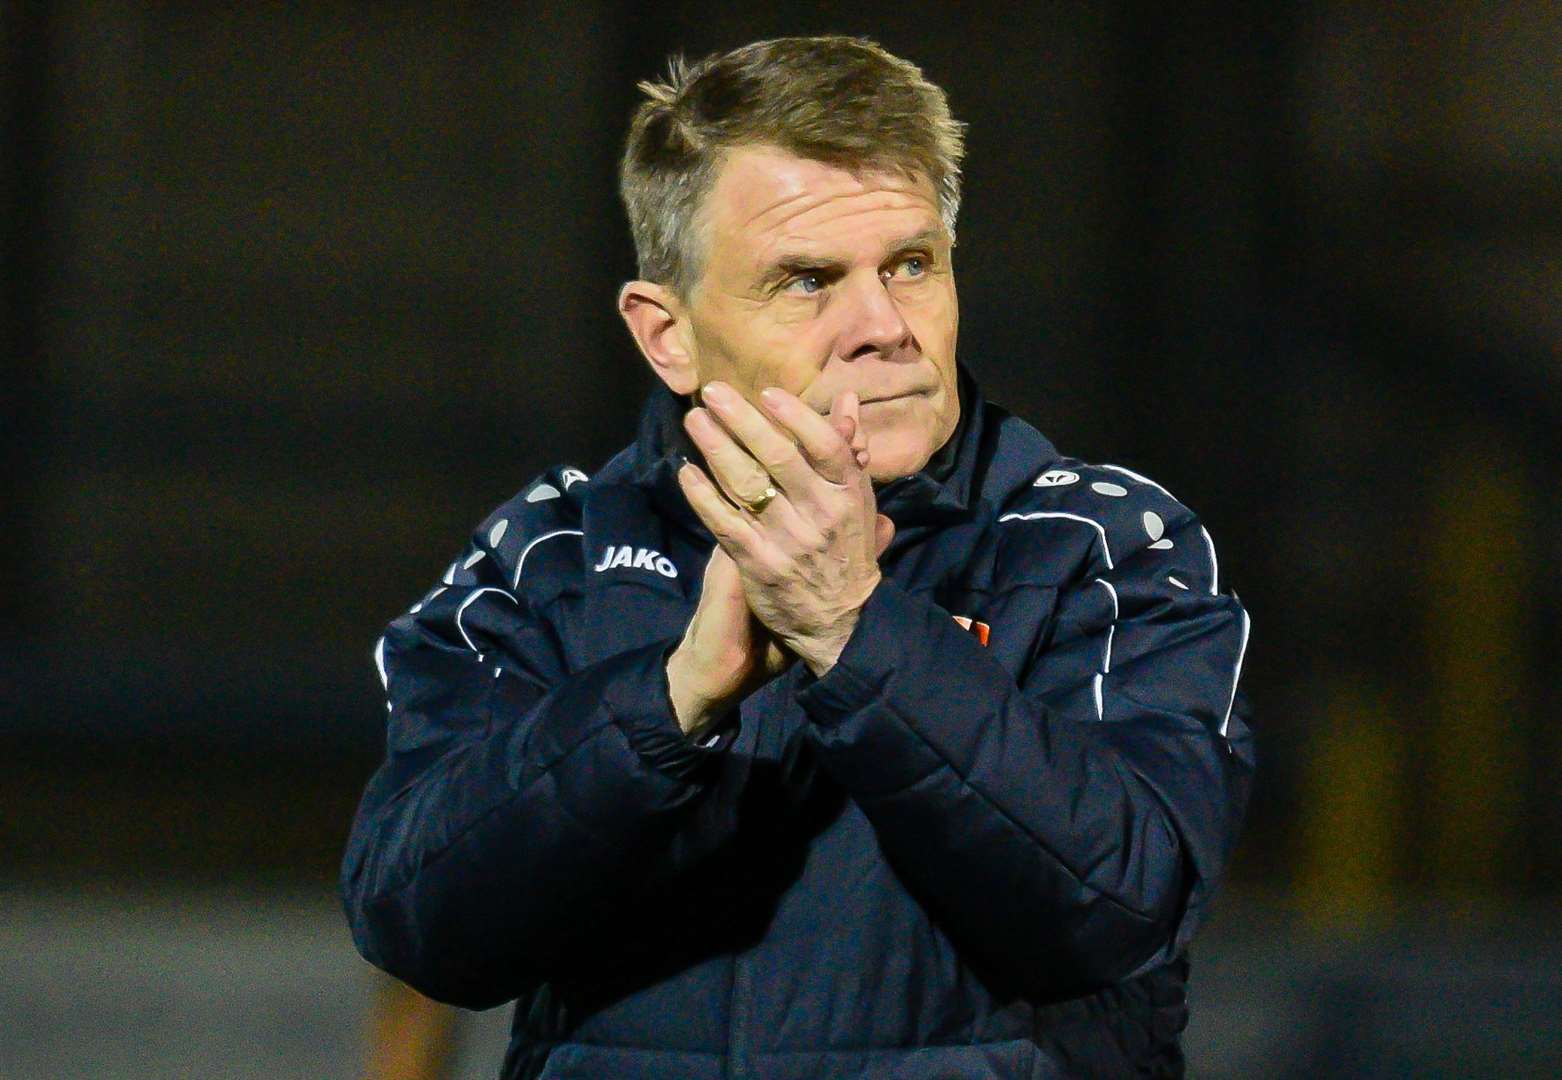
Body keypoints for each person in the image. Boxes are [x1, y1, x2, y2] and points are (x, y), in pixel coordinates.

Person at [341, 35, 1254, 1080]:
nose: (883, 327)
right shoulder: (551, 558)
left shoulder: (1102, 548)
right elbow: (418, 923)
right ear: (666, 335)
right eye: (807, 280)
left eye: (911, 264)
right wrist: (669, 702)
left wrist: (856, 633)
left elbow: (1118, 908)